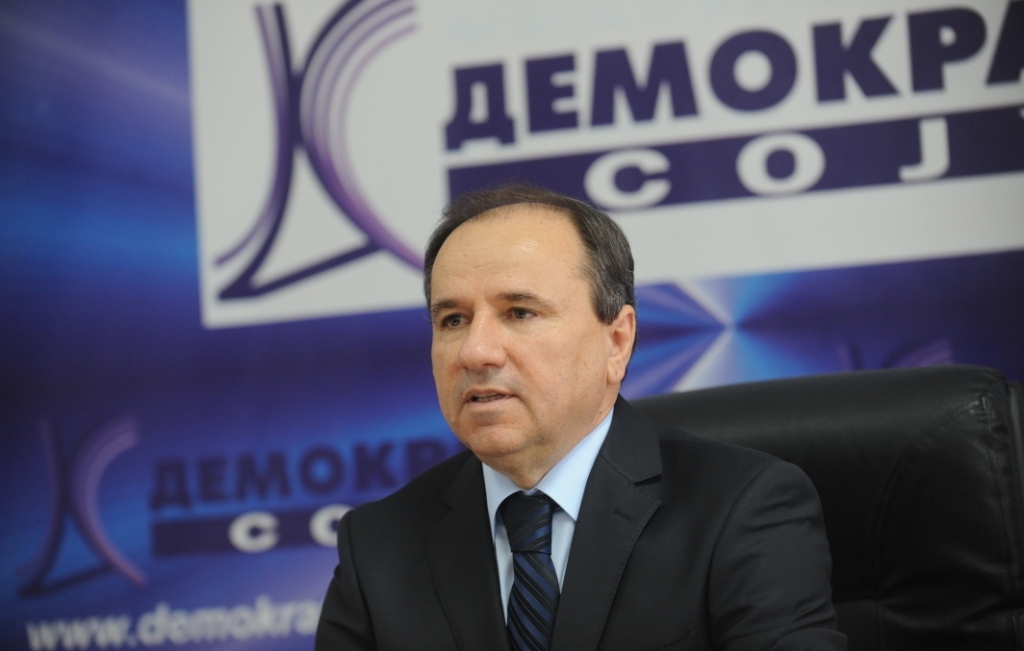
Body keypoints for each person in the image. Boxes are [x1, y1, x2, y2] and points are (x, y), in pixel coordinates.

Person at [315, 184, 846, 650]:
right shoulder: (378, 545)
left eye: (519, 312)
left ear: (616, 342)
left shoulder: (740, 507)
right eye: (453, 319)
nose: (475, 352)